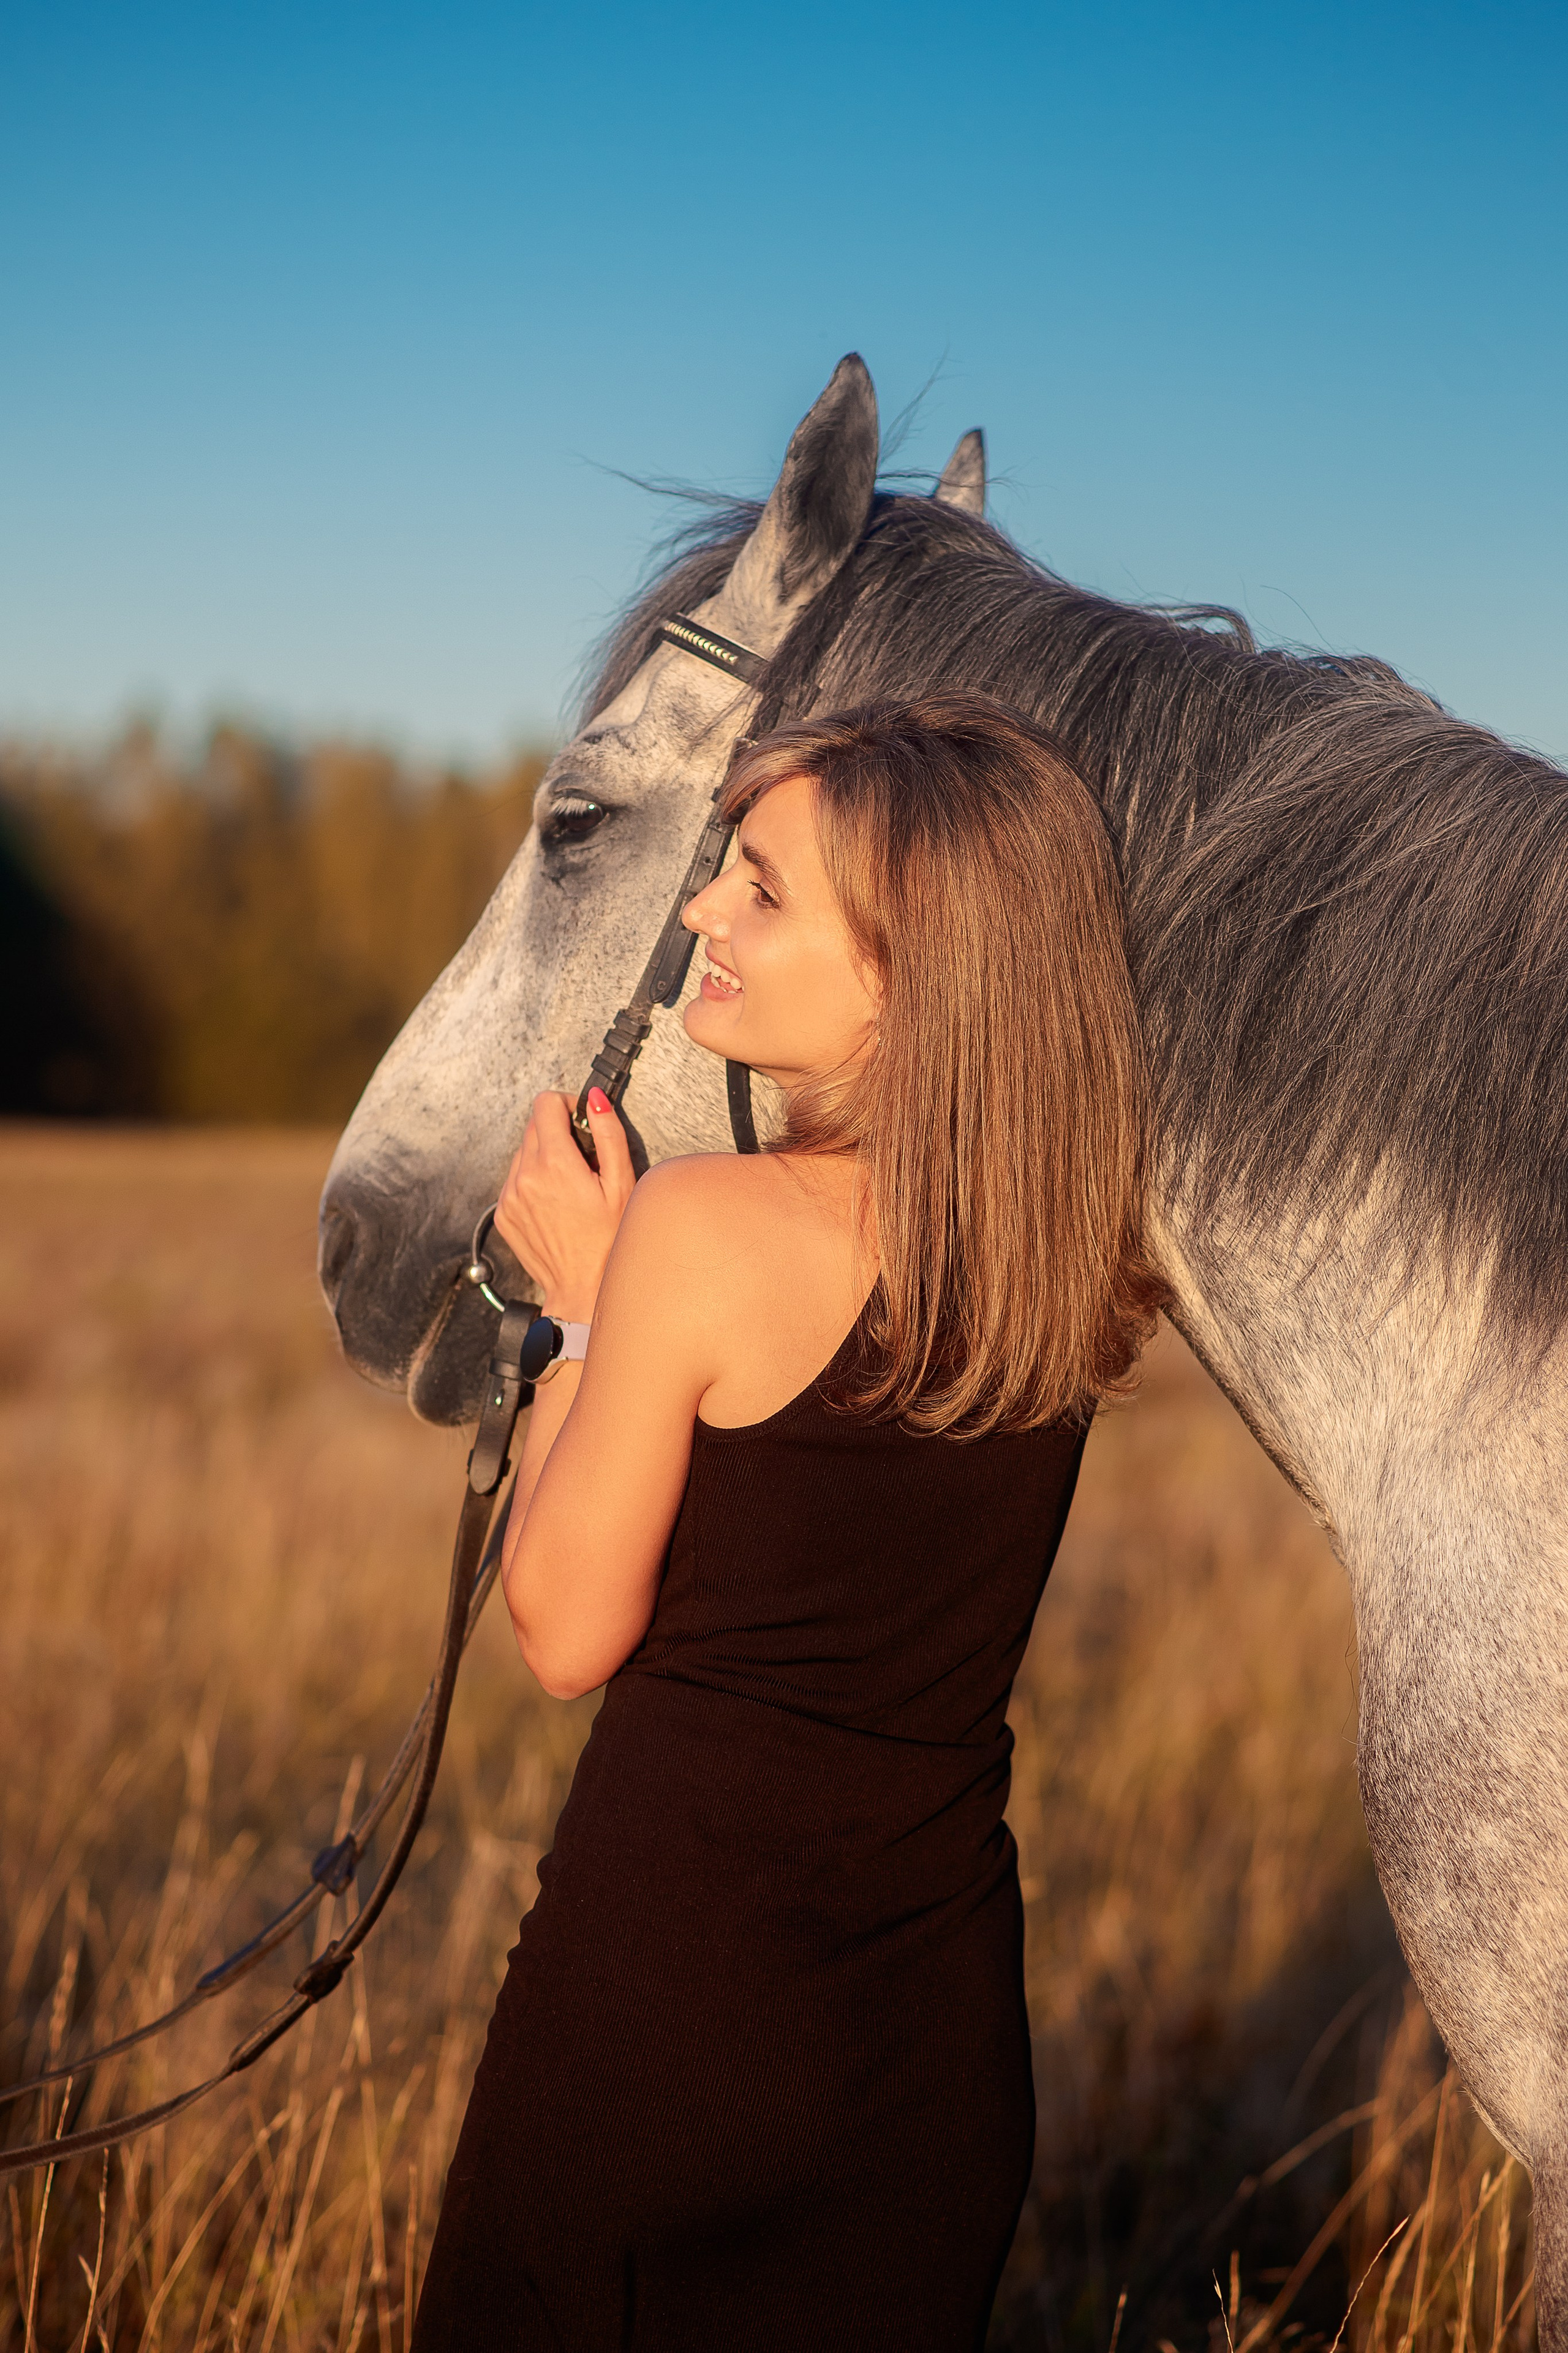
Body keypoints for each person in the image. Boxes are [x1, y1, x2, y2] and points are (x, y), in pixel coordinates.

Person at [413, 695, 1166, 2352]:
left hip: (669, 2003)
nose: (702, 915)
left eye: (760, 889)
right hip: (931, 2049)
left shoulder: (703, 1228)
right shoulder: (1065, 1254)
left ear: (908, 968)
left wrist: (587, 1313)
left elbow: (562, 1627)